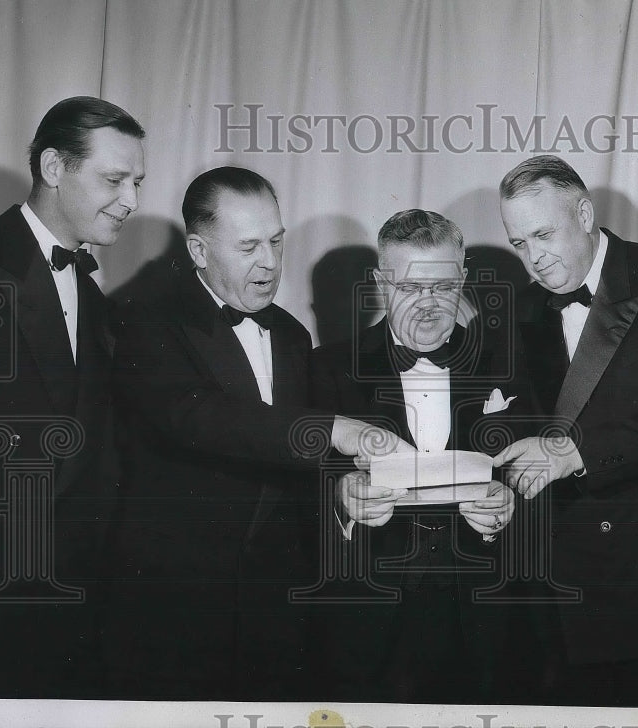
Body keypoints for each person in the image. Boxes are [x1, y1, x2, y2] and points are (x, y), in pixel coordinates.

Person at [99, 166, 408, 700]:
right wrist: (334, 428)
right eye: (248, 248)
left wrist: (342, 491)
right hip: (178, 610)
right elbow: (200, 417)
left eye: (276, 241)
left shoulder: (288, 332)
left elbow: (296, 462)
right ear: (198, 251)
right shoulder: (142, 322)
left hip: (277, 607)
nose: (270, 263)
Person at [492, 154, 638, 707]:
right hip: (561, 593)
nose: (534, 258)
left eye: (543, 234)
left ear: (584, 212)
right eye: (519, 244)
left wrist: (575, 452)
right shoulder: (515, 312)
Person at [307, 209, 529, 704]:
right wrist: (343, 496)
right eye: (409, 289)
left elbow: (536, 473)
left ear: (465, 279)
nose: (428, 306)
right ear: (382, 283)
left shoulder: (509, 363)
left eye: (444, 287)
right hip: (368, 617)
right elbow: (291, 490)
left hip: (485, 617)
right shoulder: (325, 369)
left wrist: (510, 501)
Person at [0, 95, 146, 698]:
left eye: (137, 182)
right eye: (115, 179)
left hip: (71, 603)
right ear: (52, 167)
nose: (132, 201)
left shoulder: (98, 301)